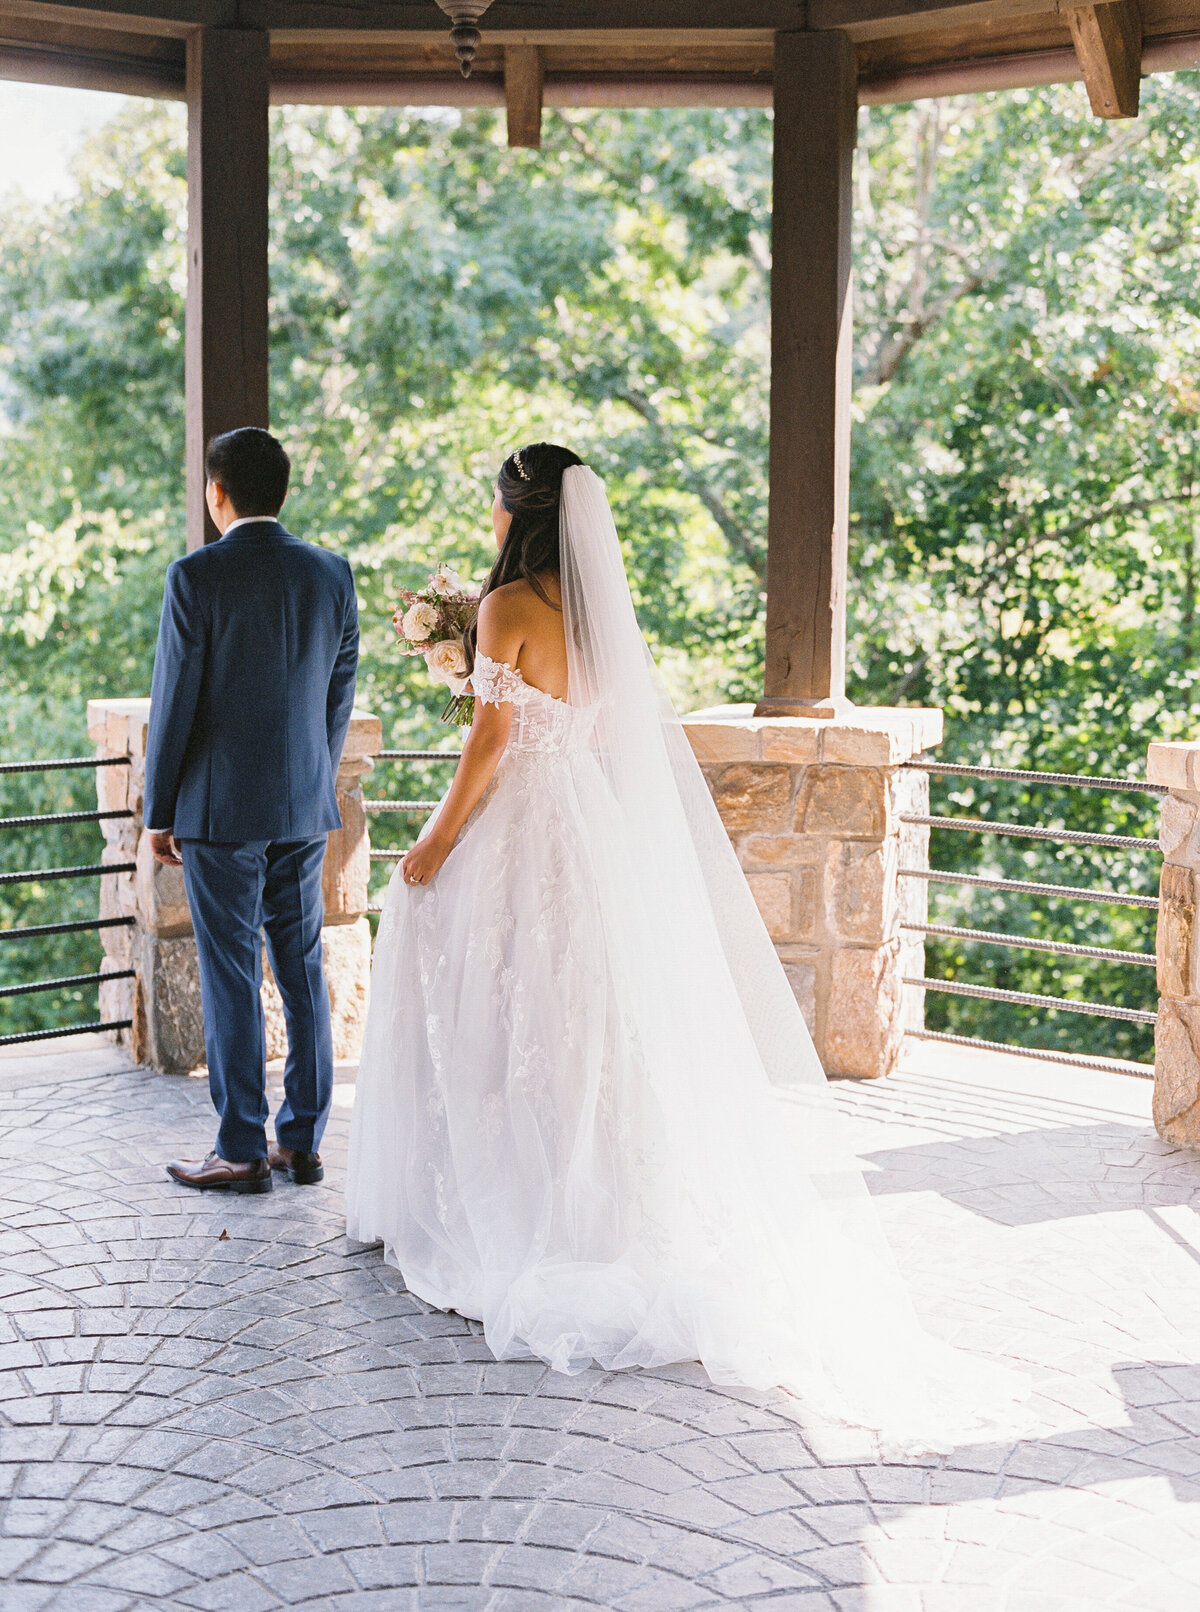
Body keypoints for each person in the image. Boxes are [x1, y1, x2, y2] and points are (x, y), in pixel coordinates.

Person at [347, 444, 1027, 1449]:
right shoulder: (597, 616)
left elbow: (489, 745)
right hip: (586, 832)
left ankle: (504, 1202)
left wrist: (432, 845)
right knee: (584, 1021)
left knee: (493, 1004)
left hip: (518, 834)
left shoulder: (505, 610)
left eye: (494, 505)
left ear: (515, 514)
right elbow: (605, 741)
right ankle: (597, 1206)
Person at [144, 427, 359, 1195]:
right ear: (284, 491)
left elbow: (173, 705)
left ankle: (240, 1147)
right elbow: (338, 696)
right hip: (302, 806)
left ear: (216, 492)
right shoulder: (332, 574)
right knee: (301, 969)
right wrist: (311, 779)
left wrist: (158, 810)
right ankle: (300, 1143)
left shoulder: (195, 576)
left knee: (232, 971)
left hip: (218, 809)